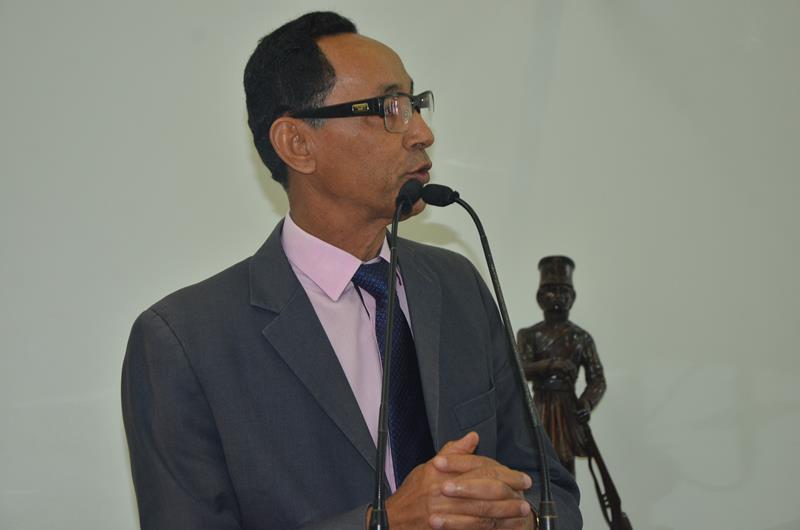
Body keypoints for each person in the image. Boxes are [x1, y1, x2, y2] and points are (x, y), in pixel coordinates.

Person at [122, 11, 581, 530]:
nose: (423, 132)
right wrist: (382, 524)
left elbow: (552, 489)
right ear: (297, 144)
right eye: (390, 108)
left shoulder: (456, 285)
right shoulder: (185, 342)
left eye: (416, 104)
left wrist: (519, 518)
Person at [517, 256, 607, 476]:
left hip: (568, 410)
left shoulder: (581, 337)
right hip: (540, 407)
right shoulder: (529, 335)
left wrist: (586, 403)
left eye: (563, 290)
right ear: (540, 296)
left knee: (565, 466)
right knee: (537, 466)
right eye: (551, 290)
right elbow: (519, 369)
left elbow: (597, 379)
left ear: (572, 296)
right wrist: (550, 365)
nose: (557, 296)